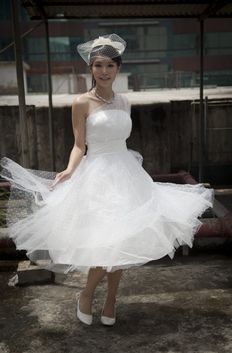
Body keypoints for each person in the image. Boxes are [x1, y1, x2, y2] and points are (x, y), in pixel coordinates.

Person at [0, 34, 213, 327]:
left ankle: (111, 299)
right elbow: (79, 145)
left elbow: (120, 139)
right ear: (90, 68)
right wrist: (69, 170)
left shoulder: (124, 102)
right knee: (103, 244)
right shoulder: (81, 102)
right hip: (96, 176)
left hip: (126, 174)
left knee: (121, 243)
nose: (104, 71)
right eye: (98, 65)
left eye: (110, 65)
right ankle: (87, 295)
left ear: (118, 68)